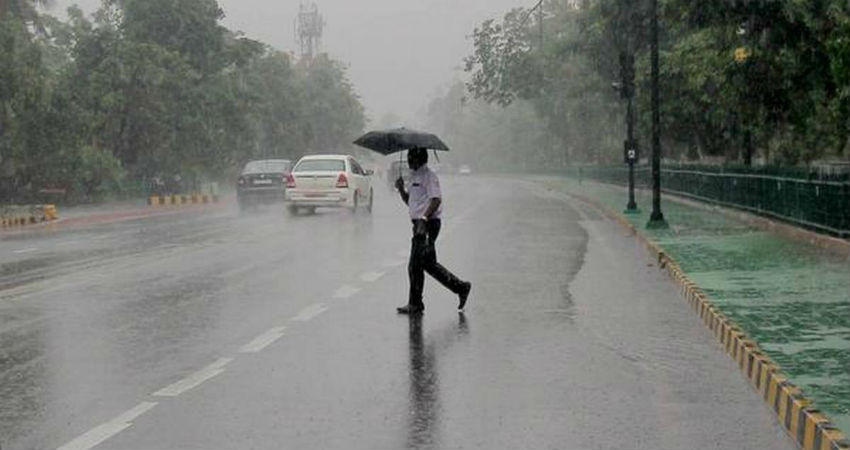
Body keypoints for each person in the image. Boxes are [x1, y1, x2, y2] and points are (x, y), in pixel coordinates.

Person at [394, 148, 471, 315]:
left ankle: (415, 303)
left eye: (410, 157)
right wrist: (401, 190)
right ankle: (461, 287)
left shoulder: (429, 177)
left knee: (415, 265)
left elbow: (436, 200)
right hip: (419, 224)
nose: (407, 160)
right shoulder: (414, 177)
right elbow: (413, 203)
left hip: (427, 225)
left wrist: (424, 219)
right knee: (428, 264)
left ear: (419, 158)